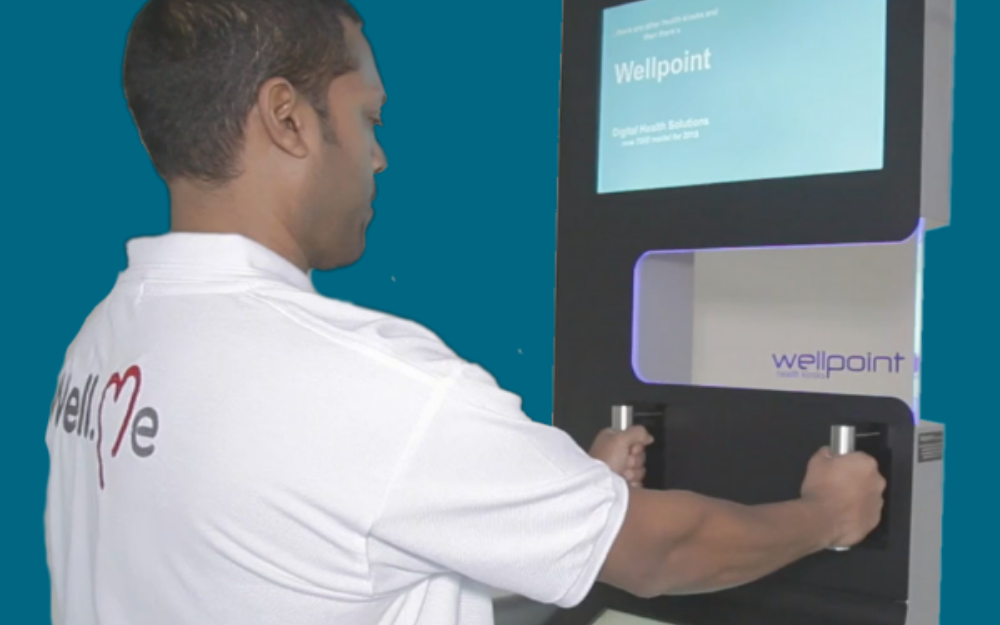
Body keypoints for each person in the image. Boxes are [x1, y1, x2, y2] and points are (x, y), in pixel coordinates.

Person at [44, 1, 886, 624]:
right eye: (367, 116)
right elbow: (661, 553)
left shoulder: (103, 345)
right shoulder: (366, 382)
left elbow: (331, 560)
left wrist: (565, 500)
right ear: (288, 119)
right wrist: (828, 515)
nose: (378, 154)